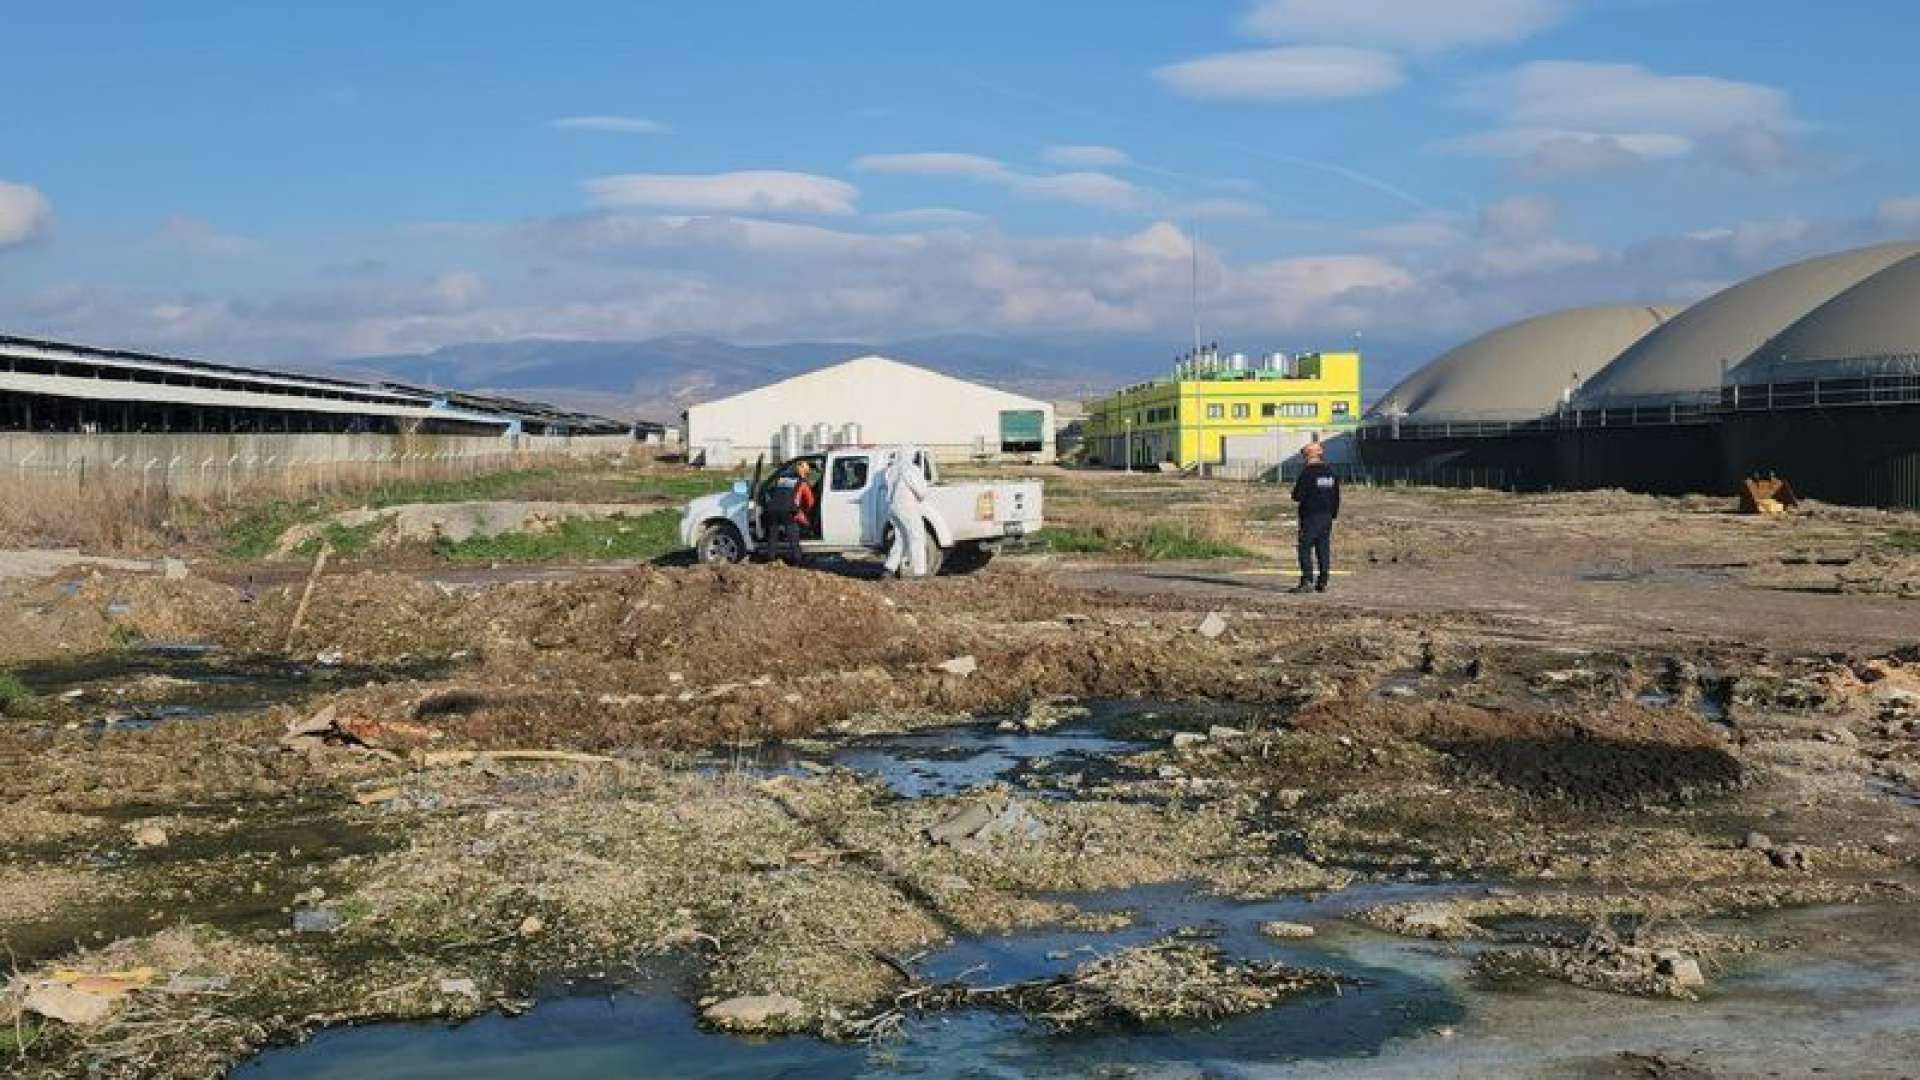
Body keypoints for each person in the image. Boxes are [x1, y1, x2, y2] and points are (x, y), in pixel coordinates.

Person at [1288, 442, 1340, 594]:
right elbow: (1336, 496)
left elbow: (1297, 496)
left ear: (1307, 456)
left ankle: (1307, 580)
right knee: (1323, 548)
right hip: (1326, 516)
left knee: (1304, 547)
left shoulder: (1307, 473)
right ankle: (1323, 581)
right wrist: (1332, 514)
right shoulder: (1331, 473)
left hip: (1311, 516)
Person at [881, 446, 931, 579]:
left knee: (901, 539)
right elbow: (920, 490)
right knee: (918, 537)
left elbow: (887, 485)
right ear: (911, 455)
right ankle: (920, 573)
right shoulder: (911, 469)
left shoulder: (891, 469)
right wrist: (922, 495)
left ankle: (888, 569)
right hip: (907, 507)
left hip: (892, 507)